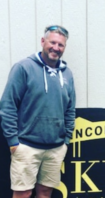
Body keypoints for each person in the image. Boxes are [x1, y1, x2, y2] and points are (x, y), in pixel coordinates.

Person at [0, 25, 76, 198]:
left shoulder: (67, 74)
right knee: (23, 194)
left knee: (45, 193)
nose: (56, 48)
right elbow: (8, 105)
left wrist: (66, 141)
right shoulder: (23, 68)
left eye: (61, 45)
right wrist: (13, 143)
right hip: (26, 146)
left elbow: (70, 109)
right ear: (43, 41)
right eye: (53, 42)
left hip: (56, 148)